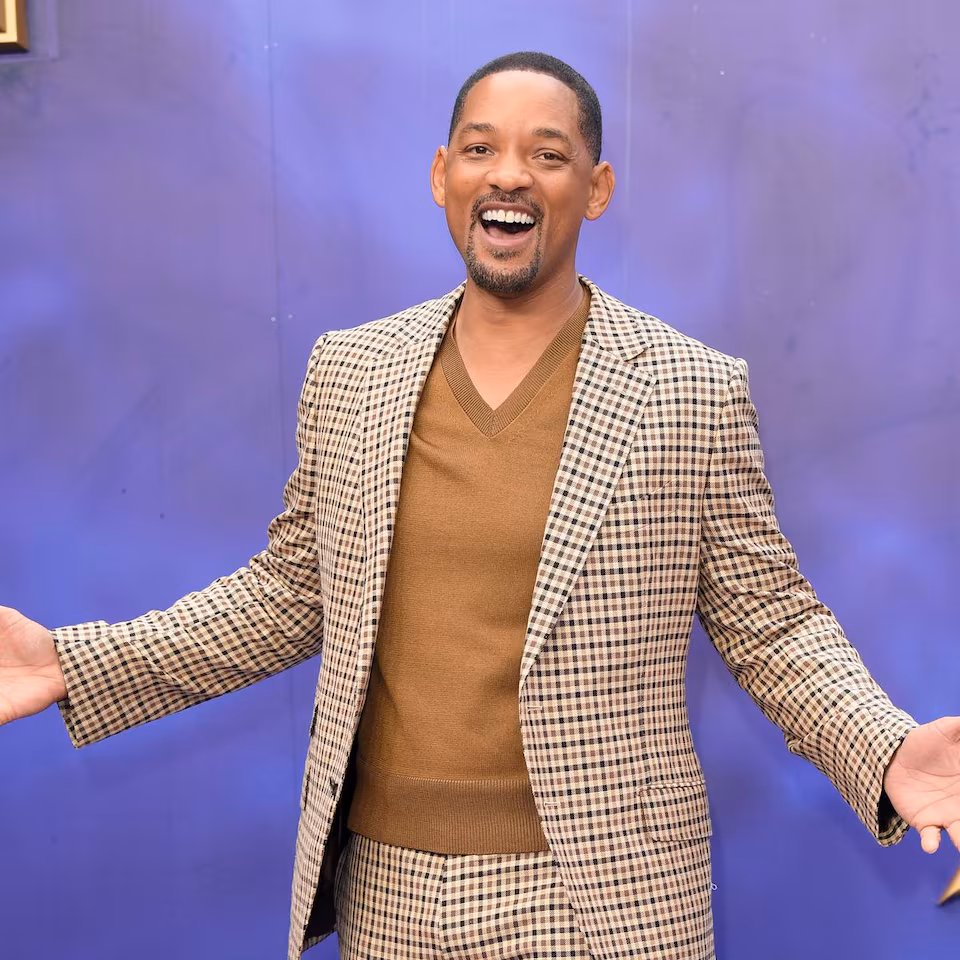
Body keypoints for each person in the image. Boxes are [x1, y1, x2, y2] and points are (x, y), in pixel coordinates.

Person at [1, 51, 958, 960]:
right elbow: (291, 593)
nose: (509, 175)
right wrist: (72, 663)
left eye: (548, 155)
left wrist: (884, 750)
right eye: (480, 147)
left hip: (601, 898)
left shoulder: (688, 389)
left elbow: (771, 621)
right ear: (441, 175)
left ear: (596, 188)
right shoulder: (353, 372)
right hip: (386, 891)